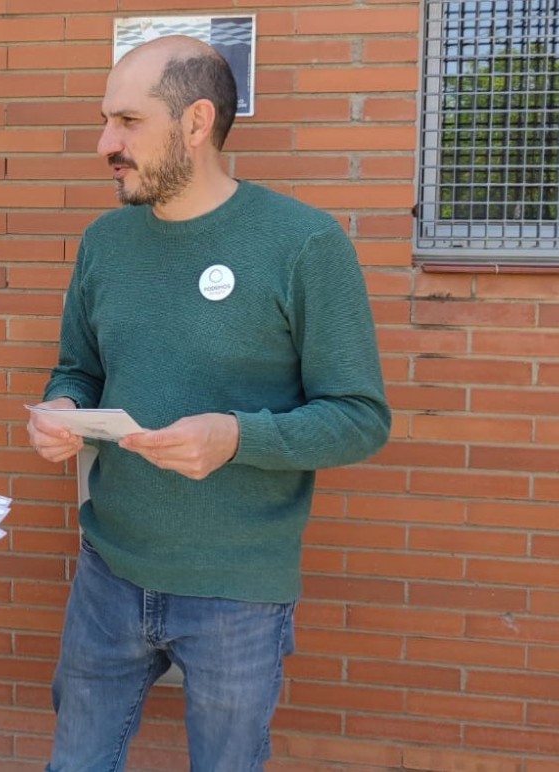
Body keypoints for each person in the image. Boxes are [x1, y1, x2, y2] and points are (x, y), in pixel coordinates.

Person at [26, 35, 390, 771]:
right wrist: (63, 408)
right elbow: (79, 367)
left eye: (127, 122)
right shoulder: (105, 240)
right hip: (109, 569)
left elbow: (360, 417)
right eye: (106, 120)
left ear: (195, 123)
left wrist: (235, 437)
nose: (105, 143)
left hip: (239, 589)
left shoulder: (303, 244)